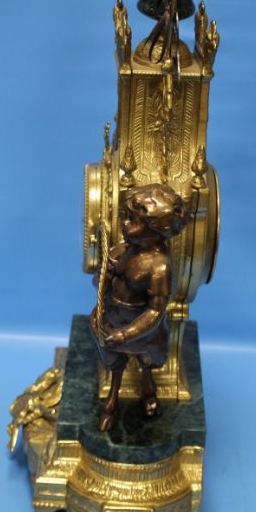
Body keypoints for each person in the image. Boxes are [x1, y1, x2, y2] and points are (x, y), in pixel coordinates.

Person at [90, 183, 189, 431]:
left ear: (157, 230)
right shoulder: (124, 249)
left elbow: (156, 311)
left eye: (134, 221)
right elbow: (100, 285)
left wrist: (125, 334)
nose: (125, 224)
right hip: (113, 317)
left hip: (141, 330)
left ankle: (148, 389)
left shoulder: (159, 267)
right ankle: (112, 400)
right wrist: (106, 272)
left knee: (146, 361)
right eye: (127, 217)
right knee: (114, 364)